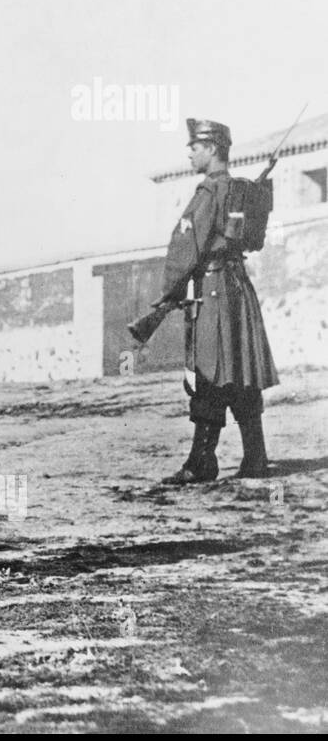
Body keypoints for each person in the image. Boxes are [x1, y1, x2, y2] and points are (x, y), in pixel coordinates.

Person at [157, 119, 278, 484]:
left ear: (211, 148)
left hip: (211, 289)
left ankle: (201, 463)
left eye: (195, 146)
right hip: (238, 290)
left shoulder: (209, 192)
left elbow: (184, 248)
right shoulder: (245, 191)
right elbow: (254, 240)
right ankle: (255, 459)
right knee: (240, 372)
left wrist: (168, 293)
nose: (191, 152)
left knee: (209, 373)